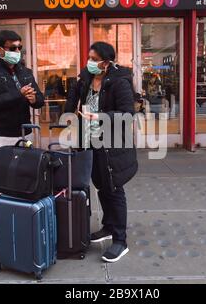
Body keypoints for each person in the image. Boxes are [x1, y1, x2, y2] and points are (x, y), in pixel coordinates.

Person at [65, 42, 138, 263]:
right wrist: (71, 112)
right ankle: (108, 226)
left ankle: (120, 241)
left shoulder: (120, 82)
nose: (89, 62)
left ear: (105, 63)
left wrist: (100, 117)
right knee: (100, 185)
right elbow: (74, 98)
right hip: (89, 141)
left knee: (114, 188)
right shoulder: (87, 76)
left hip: (112, 144)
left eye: (93, 58)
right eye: (88, 57)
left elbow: (127, 113)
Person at [0, 30, 45, 255]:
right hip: (0, 135)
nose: (17, 51)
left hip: (24, 135)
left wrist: (35, 100)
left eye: (19, 47)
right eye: (12, 47)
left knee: (24, 182)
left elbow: (38, 100)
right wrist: (19, 95)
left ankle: (20, 222)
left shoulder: (24, 71)